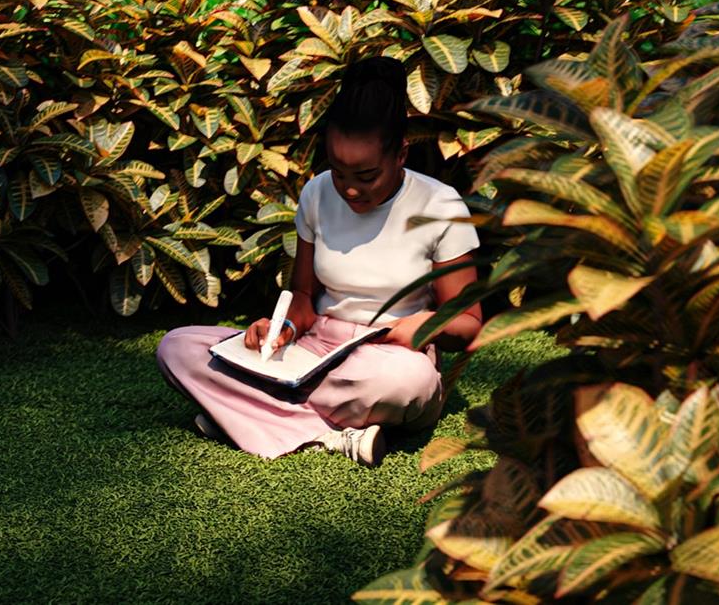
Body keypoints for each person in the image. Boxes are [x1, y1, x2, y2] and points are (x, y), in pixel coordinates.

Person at [154, 56, 483, 466]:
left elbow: (469, 323)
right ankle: (327, 435)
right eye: (338, 172)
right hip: (314, 349)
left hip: (385, 356)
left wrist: (426, 325)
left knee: (408, 383)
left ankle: (246, 414)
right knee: (178, 347)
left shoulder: (439, 205)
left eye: (366, 176)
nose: (349, 190)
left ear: (401, 153)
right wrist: (284, 328)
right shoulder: (317, 193)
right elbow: (304, 296)